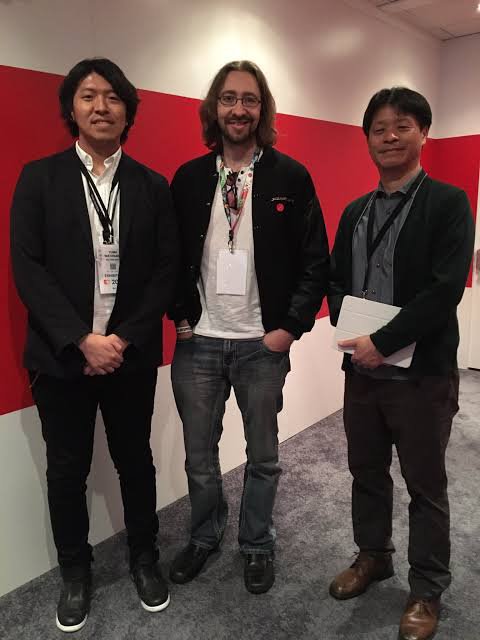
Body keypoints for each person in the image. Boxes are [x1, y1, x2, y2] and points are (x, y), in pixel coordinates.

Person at [10, 58, 178, 632]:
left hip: (130, 356)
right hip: (62, 358)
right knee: (66, 470)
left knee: (136, 462)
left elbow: (166, 270)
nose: (101, 106)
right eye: (88, 96)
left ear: (128, 111)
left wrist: (121, 339)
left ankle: (144, 558)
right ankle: (75, 573)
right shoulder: (39, 178)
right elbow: (27, 267)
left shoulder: (151, 186)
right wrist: (82, 340)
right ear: (72, 109)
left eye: (112, 96)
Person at [168, 60, 329, 594]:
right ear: (214, 108)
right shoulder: (189, 178)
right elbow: (167, 257)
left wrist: (289, 328)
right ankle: (204, 535)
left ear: (263, 109)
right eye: (229, 98)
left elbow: (315, 261)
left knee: (263, 456)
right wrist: (180, 314)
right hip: (199, 342)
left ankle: (257, 543)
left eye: (250, 99)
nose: (239, 109)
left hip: (262, 344)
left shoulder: (290, 177)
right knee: (199, 458)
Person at [328, 87, 474, 640]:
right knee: (366, 472)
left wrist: (383, 340)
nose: (390, 137)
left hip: (421, 374)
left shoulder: (448, 202)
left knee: (424, 484)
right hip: (363, 373)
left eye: (402, 126)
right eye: (379, 128)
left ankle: (427, 588)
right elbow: (336, 280)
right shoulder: (355, 211)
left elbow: (444, 290)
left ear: (423, 133)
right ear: (367, 138)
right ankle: (373, 556)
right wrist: (350, 328)